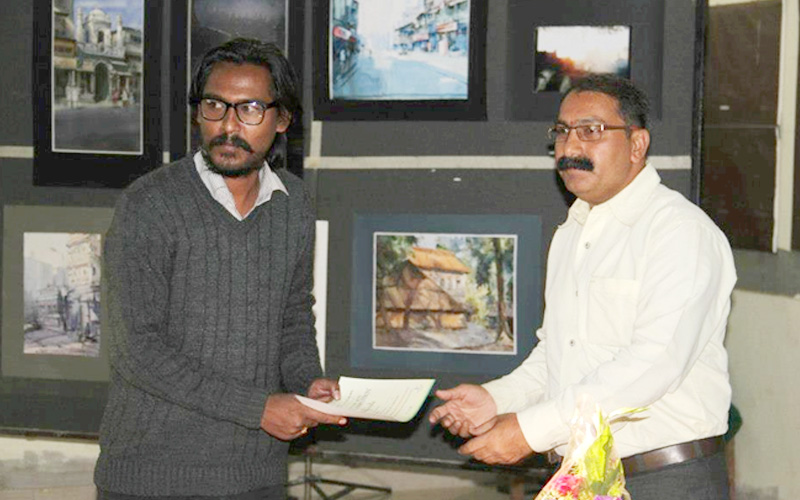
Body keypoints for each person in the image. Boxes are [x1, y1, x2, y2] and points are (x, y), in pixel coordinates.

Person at [430, 74, 736, 499]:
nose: (570, 148)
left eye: (591, 131)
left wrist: (528, 432)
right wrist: (496, 399)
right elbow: (558, 355)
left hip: (664, 480)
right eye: (562, 131)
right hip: (583, 479)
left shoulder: (680, 232)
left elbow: (653, 365)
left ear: (637, 144)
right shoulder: (573, 231)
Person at [94, 38, 346, 500]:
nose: (228, 126)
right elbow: (137, 350)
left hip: (258, 476)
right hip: (152, 479)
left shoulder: (293, 204)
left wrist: (307, 383)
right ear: (197, 112)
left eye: (250, 109)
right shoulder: (148, 205)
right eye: (214, 106)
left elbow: (292, 318)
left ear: (282, 119)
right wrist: (259, 408)